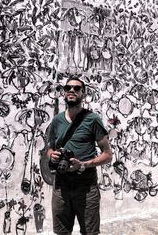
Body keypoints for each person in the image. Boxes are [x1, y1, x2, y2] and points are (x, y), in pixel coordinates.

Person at [46, 76, 113, 235]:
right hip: (61, 187)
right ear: (64, 93)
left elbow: (108, 155)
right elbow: (49, 148)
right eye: (68, 88)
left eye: (77, 88)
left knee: (90, 232)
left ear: (83, 94)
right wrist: (52, 155)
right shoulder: (56, 121)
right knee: (61, 232)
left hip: (86, 188)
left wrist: (82, 165)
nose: (71, 91)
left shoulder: (92, 119)